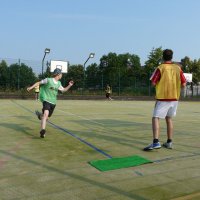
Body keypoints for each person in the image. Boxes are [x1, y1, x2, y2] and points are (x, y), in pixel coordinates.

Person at [143, 49, 186, 151]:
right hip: (174, 98)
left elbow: (153, 82)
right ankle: (169, 142)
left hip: (163, 98)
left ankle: (156, 142)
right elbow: (184, 84)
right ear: (172, 57)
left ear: (163, 57)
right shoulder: (178, 68)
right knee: (169, 118)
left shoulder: (160, 68)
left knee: (155, 118)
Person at [27, 68, 74, 138]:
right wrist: (31, 87)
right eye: (61, 74)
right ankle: (42, 131)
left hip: (53, 102)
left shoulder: (58, 83)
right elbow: (38, 83)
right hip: (46, 100)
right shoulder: (48, 80)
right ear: (58, 74)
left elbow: (63, 90)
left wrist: (69, 85)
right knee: (46, 114)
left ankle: (40, 115)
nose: (62, 75)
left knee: (45, 117)